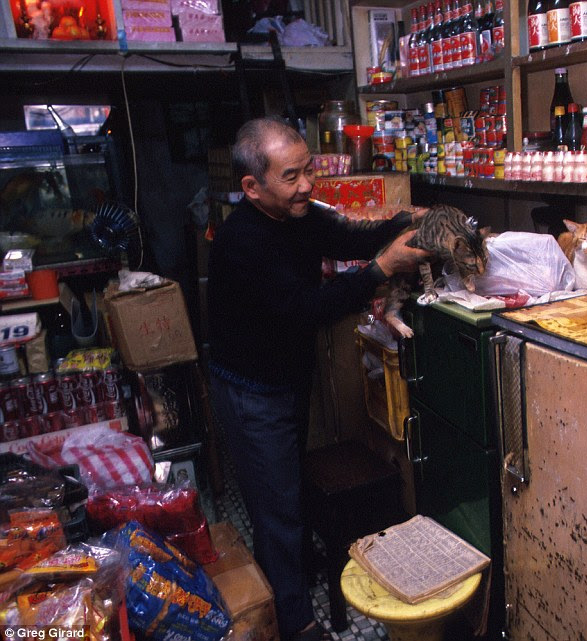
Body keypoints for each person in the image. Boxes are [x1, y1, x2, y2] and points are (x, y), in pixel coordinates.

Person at [206, 116, 429, 641]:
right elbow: (306, 309)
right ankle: (298, 623)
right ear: (251, 187)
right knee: (276, 509)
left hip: (286, 377)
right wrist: (380, 270)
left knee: (288, 490)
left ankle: (290, 577)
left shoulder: (299, 214)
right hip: (251, 391)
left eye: (308, 170)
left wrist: (401, 224)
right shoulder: (243, 240)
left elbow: (347, 236)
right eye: (292, 176)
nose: (307, 184)